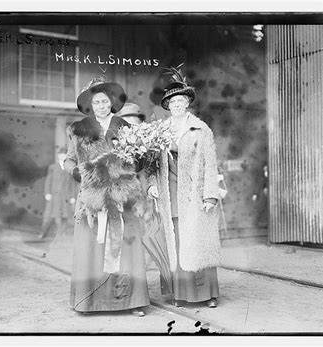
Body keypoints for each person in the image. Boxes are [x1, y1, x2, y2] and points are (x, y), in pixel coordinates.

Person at [62, 77, 150, 316]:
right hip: (91, 196)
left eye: (105, 101)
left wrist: (135, 159)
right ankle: (90, 301)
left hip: (122, 197)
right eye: (96, 102)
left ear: (112, 103)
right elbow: (69, 159)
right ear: (90, 106)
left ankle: (130, 301)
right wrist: (75, 170)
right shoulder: (79, 129)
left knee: (125, 245)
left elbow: (139, 160)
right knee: (91, 247)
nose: (101, 106)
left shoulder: (124, 127)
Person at [147, 66, 223, 308]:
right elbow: (149, 164)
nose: (177, 105)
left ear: (188, 103)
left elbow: (211, 164)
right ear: (167, 106)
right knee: (178, 243)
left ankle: (207, 294)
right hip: (170, 195)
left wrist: (210, 196)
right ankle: (181, 294)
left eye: (181, 100)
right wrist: (151, 186)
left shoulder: (201, 129)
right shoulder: (159, 131)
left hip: (195, 193)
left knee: (199, 241)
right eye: (173, 101)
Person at [40, 146, 78, 239]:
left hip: (65, 196)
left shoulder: (70, 168)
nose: (61, 158)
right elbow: (48, 181)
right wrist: (47, 193)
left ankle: (62, 234)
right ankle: (43, 232)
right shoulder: (52, 167)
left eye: (63, 156)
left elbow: (72, 184)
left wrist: (73, 197)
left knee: (64, 215)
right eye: (59, 156)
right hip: (54, 196)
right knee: (48, 215)